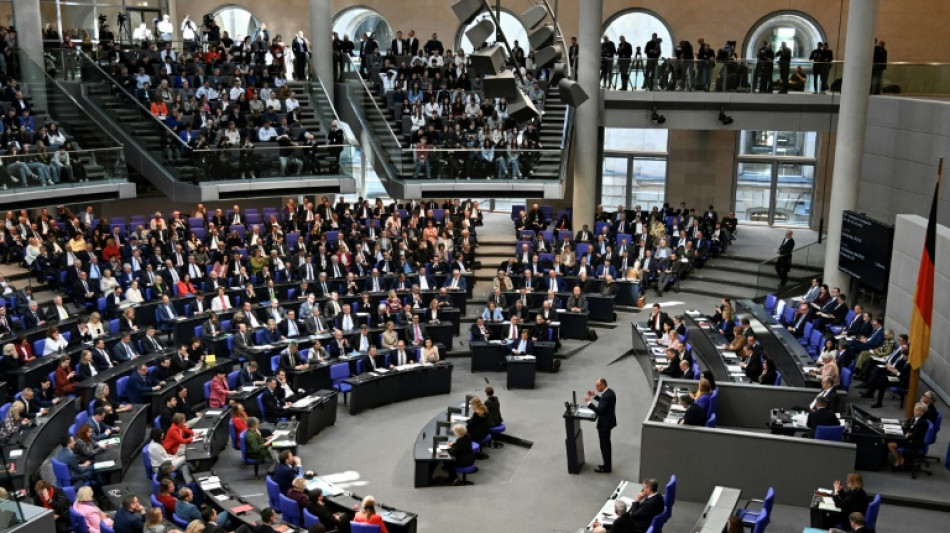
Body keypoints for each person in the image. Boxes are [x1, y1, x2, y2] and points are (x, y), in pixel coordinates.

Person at [584, 378, 617, 473]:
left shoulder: (607, 396)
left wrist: (588, 402)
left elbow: (600, 410)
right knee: (606, 445)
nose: (596, 388)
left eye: (598, 386)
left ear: (603, 385)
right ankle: (607, 465)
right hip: (608, 422)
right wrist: (594, 396)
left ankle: (607, 468)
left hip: (605, 425)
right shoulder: (610, 392)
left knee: (605, 446)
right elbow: (603, 401)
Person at [886, 402, 930, 470]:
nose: (915, 411)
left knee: (890, 444)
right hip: (910, 439)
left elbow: (915, 435)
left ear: (922, 412)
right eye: (915, 409)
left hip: (914, 443)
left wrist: (908, 434)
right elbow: (908, 423)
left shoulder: (922, 423)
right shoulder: (915, 418)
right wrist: (905, 424)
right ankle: (901, 458)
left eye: (917, 410)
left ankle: (898, 460)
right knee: (890, 439)